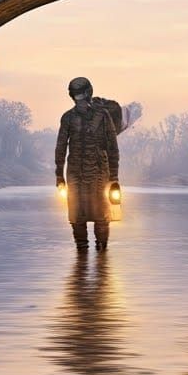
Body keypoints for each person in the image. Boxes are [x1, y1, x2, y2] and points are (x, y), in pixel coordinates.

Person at [55, 77, 120, 252]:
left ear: (88, 93)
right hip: (76, 174)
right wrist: (59, 176)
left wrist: (114, 177)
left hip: (99, 174)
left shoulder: (103, 116)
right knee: (77, 217)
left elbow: (112, 146)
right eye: (76, 96)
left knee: (101, 216)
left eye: (81, 95)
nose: (80, 99)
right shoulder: (68, 118)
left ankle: (100, 251)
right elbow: (61, 147)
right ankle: (83, 251)